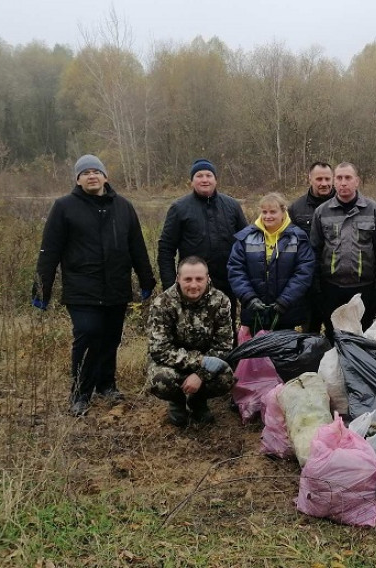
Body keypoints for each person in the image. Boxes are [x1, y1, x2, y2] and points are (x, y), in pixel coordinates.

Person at [32, 154, 156, 416]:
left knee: (111, 337)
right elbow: (50, 251)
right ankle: (80, 393)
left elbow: (137, 247)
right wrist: (41, 289)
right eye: (85, 172)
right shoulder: (64, 207)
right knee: (88, 334)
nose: (92, 176)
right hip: (81, 287)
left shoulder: (123, 207)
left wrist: (147, 279)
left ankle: (106, 385)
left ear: (105, 177)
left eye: (96, 172)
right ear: (78, 179)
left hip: (116, 286)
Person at [157, 159, 248, 330]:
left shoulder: (231, 206)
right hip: (193, 285)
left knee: (226, 331)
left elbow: (247, 243)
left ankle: (229, 358)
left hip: (227, 283)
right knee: (194, 333)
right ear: (192, 181)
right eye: (199, 176)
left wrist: (246, 280)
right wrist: (171, 286)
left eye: (209, 175)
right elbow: (166, 249)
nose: (204, 179)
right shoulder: (179, 208)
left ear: (216, 180)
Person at [146, 256, 235, 427]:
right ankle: (177, 402)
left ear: (208, 278)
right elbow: (159, 349)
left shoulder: (221, 301)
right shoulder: (163, 303)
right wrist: (199, 362)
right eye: (188, 279)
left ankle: (197, 402)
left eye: (199, 279)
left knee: (226, 378)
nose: (193, 285)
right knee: (161, 380)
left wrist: (200, 375)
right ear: (178, 278)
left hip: (206, 364)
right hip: (172, 364)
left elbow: (223, 346)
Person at [309, 162, 376, 338]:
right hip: (331, 289)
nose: (343, 182)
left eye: (348, 178)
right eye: (339, 178)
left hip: (364, 289)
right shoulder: (322, 212)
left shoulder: (373, 210)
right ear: (334, 182)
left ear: (357, 181)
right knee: (334, 337)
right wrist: (316, 288)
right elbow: (314, 251)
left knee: (362, 338)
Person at [228, 192, 315, 334]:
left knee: (283, 353)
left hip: (285, 312)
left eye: (273, 212)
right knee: (257, 355)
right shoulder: (246, 237)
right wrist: (249, 297)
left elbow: (304, 272)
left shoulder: (297, 237)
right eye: (264, 212)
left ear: (283, 212)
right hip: (254, 312)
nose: (268, 216)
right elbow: (235, 269)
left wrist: (285, 300)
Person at [290, 161, 336, 333]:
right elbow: (290, 246)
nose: (323, 183)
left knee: (337, 332)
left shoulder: (344, 204)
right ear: (310, 179)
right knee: (309, 333)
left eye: (327, 179)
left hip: (336, 281)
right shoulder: (296, 208)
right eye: (319, 179)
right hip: (308, 282)